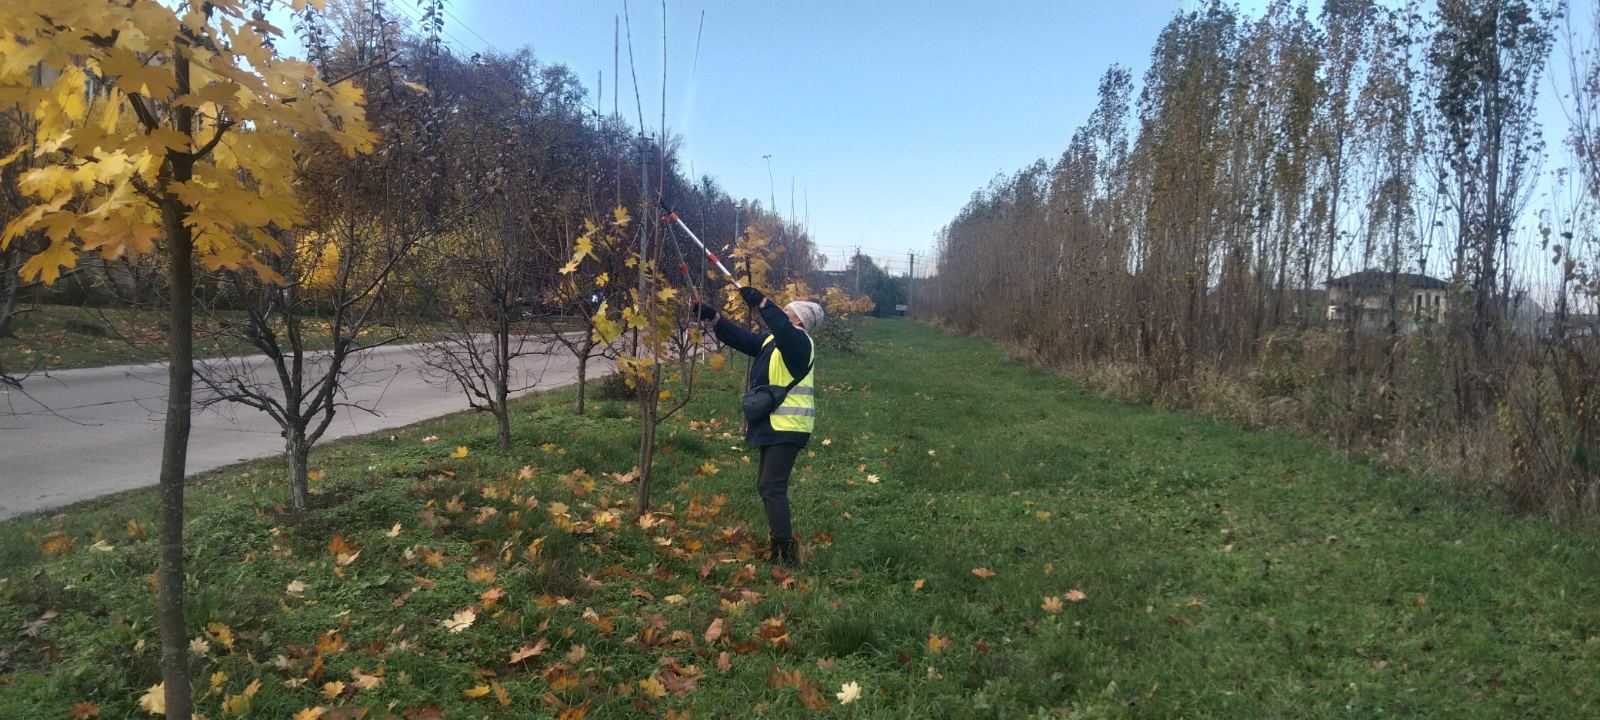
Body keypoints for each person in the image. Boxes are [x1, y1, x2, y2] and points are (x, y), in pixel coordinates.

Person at [693, 286, 824, 566]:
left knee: (772, 486)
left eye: (787, 311)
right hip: (774, 423)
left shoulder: (799, 344)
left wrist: (763, 303)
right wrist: (714, 318)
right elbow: (743, 339)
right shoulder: (772, 341)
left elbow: (782, 329)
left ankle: (784, 554)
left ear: (798, 320)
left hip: (789, 425)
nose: (782, 313)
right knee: (766, 485)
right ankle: (780, 544)